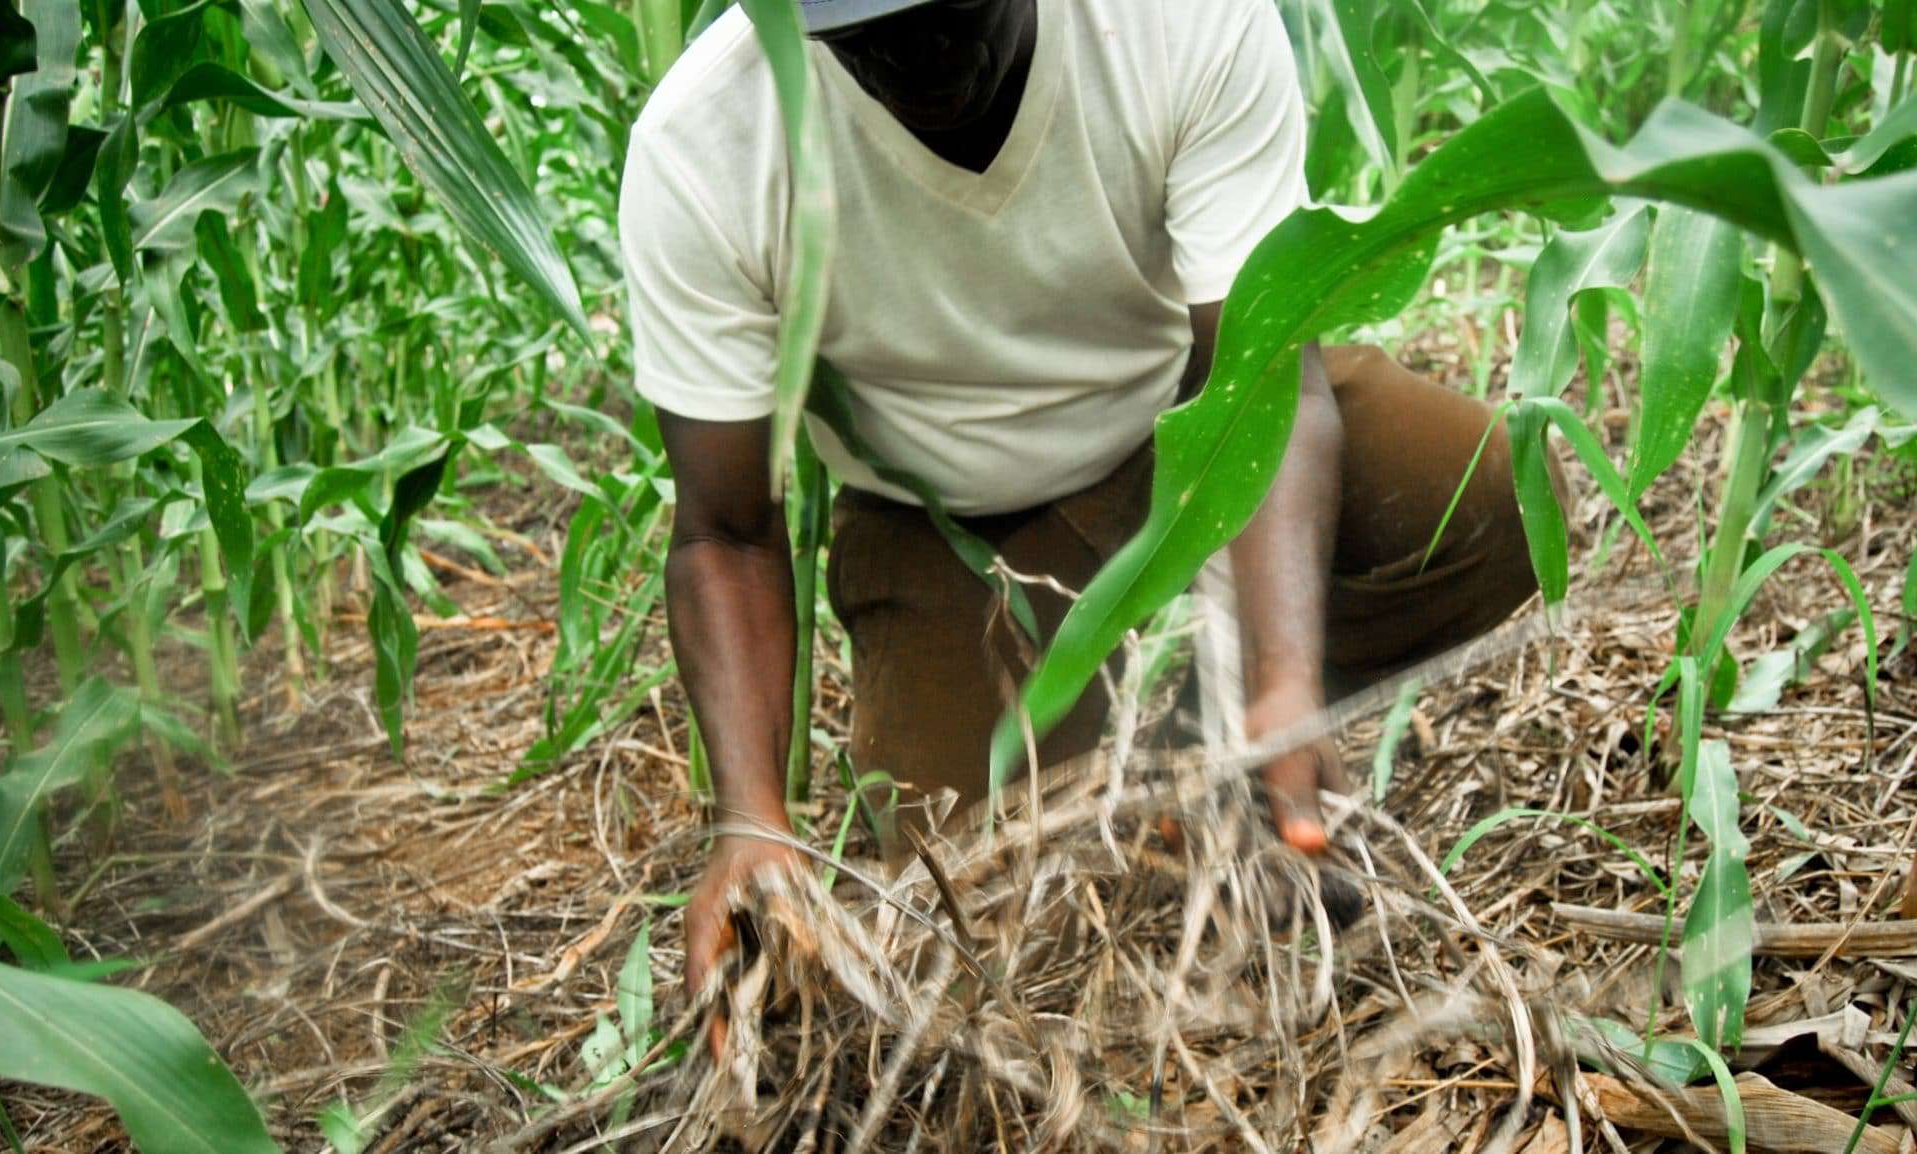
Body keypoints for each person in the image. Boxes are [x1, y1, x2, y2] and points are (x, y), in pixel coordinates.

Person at [618, 0, 1550, 1009]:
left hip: (1196, 426)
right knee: (980, 916)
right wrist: (750, 820)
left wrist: (1282, 678)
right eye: (864, 35)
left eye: (951, 9)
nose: (921, 54)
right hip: (953, 526)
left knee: (1491, 499)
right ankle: (1132, 756)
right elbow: (725, 532)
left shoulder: (1178, 22)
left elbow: (1262, 377)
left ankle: (1212, 736)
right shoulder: (707, 144)